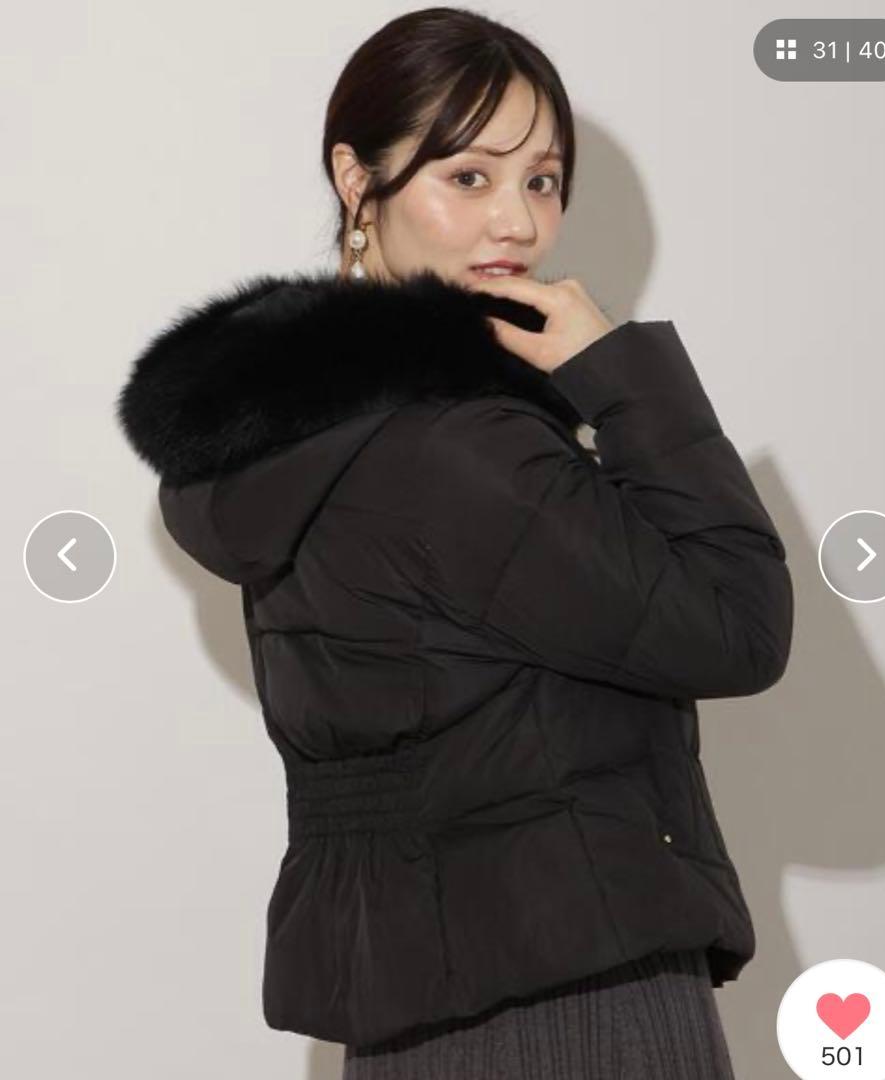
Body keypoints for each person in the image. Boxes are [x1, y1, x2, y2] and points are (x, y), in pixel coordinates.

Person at [115, 7, 794, 1078]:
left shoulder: (293, 444)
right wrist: (624, 376)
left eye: (542, 180)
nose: (517, 223)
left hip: (407, 1027)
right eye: (468, 177)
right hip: (579, 1000)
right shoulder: (458, 448)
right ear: (357, 181)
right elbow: (739, 628)